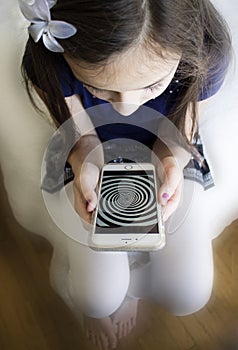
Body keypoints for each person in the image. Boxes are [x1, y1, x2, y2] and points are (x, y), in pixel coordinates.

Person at [19, 0, 232, 349]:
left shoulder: (207, 52)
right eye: (98, 87)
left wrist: (171, 164)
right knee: (95, 298)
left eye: (151, 85)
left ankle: (136, 283)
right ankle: (121, 289)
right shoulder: (49, 58)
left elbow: (181, 134)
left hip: (168, 140)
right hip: (89, 144)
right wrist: (84, 160)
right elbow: (79, 135)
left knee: (188, 293)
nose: (125, 107)